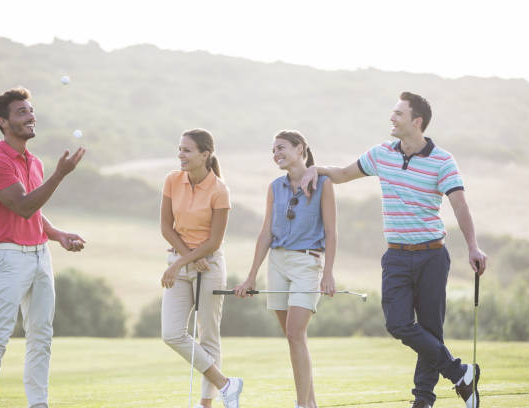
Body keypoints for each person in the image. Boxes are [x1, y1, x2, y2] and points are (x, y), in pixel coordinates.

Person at [300, 92, 488, 408]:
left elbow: (460, 205)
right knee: (398, 323)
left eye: (398, 114)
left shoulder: (443, 160)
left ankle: (423, 400)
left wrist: (473, 246)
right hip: (397, 256)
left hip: (432, 254)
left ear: (417, 121)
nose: (392, 118)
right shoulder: (381, 154)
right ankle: (460, 373)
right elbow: (344, 174)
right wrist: (314, 169)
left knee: (430, 328)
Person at [0, 87, 86, 408]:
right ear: (3, 122)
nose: (30, 116)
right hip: (10, 258)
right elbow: (22, 206)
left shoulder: (32, 161)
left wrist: (57, 234)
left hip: (40, 255)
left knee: (41, 338)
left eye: (31, 110)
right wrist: (60, 174)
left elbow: (34, 213)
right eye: (21, 112)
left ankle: (38, 404)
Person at [235, 130, 337, 408]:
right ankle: (310, 403)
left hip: (307, 262)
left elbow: (331, 232)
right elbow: (266, 232)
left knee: (295, 333)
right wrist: (251, 275)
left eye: (281, 148)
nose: (276, 154)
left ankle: (302, 404)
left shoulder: (324, 184)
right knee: (294, 338)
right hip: (277, 263)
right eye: (273, 151)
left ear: (300, 148)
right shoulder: (274, 187)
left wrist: (327, 273)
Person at [159, 128, 243, 408]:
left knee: (209, 334)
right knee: (171, 333)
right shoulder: (172, 180)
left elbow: (215, 241)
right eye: (180, 149)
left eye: (187, 150)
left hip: (210, 265)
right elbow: (166, 228)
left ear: (205, 154)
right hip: (185, 260)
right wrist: (187, 258)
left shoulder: (220, 190)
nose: (180, 155)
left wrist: (187, 260)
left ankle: (206, 404)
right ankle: (226, 384)